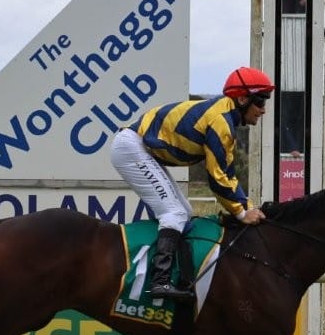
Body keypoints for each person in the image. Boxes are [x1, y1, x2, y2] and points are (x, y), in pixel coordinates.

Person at [110, 66, 273, 301]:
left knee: (184, 212)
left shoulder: (226, 117)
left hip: (138, 146)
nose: (263, 110)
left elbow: (228, 174)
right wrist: (240, 213)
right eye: (260, 102)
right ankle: (160, 282)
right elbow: (217, 180)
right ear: (242, 98)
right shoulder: (221, 122)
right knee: (174, 213)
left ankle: (172, 275)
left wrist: (247, 207)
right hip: (131, 147)